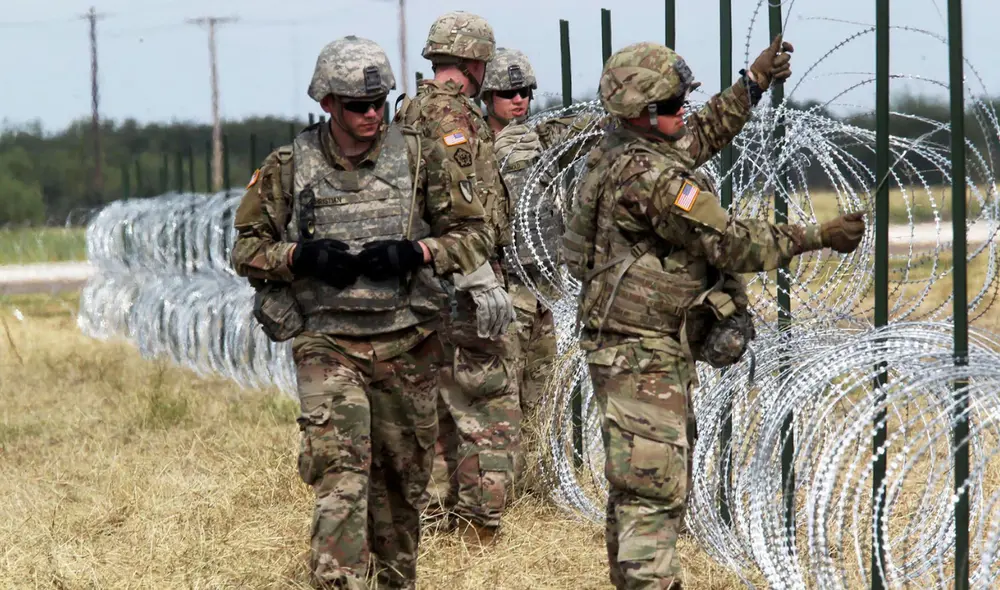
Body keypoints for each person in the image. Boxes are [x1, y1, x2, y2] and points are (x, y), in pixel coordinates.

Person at [561, 37, 866, 589]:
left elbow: (696, 136)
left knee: (640, 487)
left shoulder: (624, 150)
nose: (684, 114)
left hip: (633, 346)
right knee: (652, 491)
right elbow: (729, 243)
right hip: (640, 354)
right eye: (674, 105)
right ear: (644, 115)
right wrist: (818, 235)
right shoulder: (650, 179)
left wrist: (752, 84)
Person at [230, 35, 494, 590]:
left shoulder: (421, 157)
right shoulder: (288, 166)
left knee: (401, 488)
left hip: (410, 343)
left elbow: (475, 235)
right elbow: (245, 251)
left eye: (379, 103)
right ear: (327, 102)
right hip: (329, 344)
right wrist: (299, 256)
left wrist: (419, 251)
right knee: (342, 480)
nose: (372, 114)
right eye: (357, 105)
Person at [396, 11, 519, 548]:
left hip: (421, 280)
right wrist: (479, 276)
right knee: (489, 407)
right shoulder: (452, 118)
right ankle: (479, 529)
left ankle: (436, 519)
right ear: (475, 61)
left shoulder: (407, 110)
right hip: (459, 281)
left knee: (441, 403)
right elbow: (460, 200)